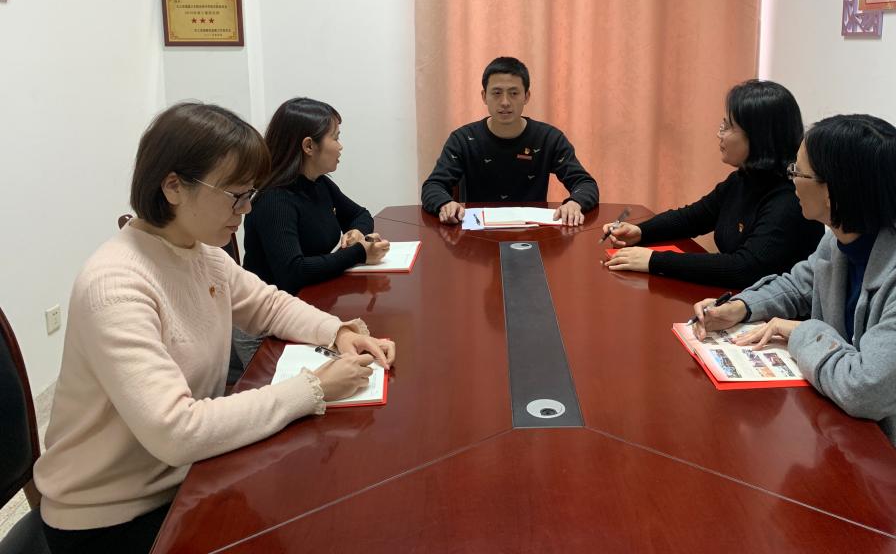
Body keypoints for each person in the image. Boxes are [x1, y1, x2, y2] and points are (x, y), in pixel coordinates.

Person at [33, 103, 396, 554]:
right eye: (236, 195)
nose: (247, 208)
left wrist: (338, 332)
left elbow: (268, 304)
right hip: (113, 516)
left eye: (250, 193)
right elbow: (177, 431)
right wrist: (314, 388)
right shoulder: (116, 286)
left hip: (186, 476)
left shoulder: (199, 252)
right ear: (173, 186)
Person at [691, 114, 896, 551]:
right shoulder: (844, 234)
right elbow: (801, 282)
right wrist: (742, 306)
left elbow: (867, 389)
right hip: (858, 445)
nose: (791, 180)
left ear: (835, 190)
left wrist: (803, 332)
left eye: (799, 172)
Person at [602, 80, 823, 288]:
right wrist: (641, 231)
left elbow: (743, 268)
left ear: (759, 137)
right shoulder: (744, 179)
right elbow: (692, 218)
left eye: (728, 127)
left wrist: (654, 260)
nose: (719, 134)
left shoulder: (790, 198)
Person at [421, 56, 599, 225]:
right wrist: (445, 203)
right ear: (484, 96)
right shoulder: (463, 139)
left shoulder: (548, 138)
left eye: (514, 93)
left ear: (526, 96)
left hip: (533, 233)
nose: (505, 102)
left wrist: (575, 203)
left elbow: (585, 184)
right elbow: (433, 186)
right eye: (497, 93)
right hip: (478, 234)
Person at [243, 97, 389, 295]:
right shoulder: (274, 200)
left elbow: (360, 214)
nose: (340, 146)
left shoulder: (319, 184)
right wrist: (359, 253)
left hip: (315, 296)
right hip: (275, 309)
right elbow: (293, 272)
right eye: (335, 138)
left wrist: (356, 232)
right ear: (309, 146)